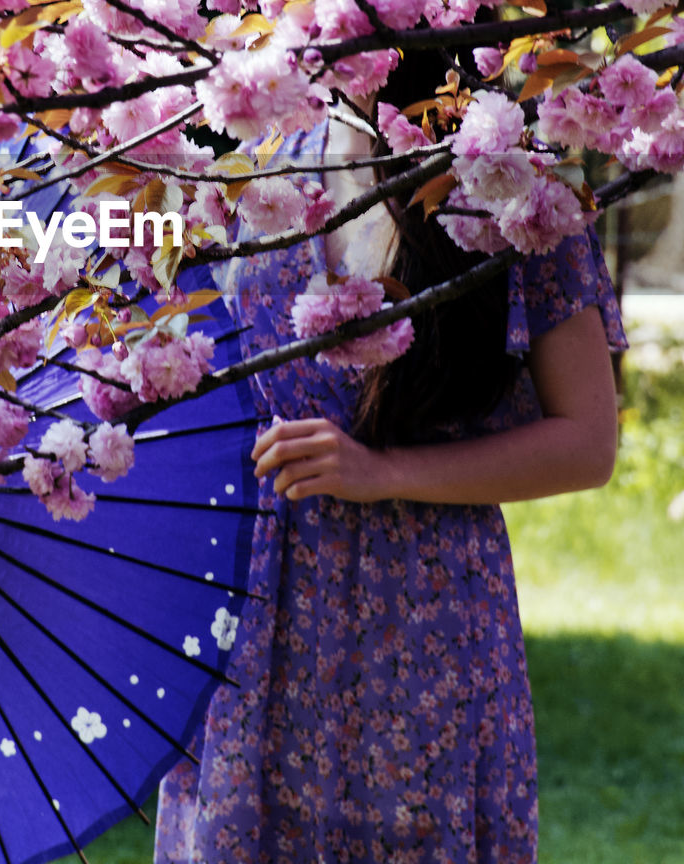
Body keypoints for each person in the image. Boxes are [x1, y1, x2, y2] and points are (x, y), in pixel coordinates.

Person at [153, 82, 626, 864]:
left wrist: (381, 471)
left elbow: (586, 441)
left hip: (429, 615)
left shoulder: (516, 187)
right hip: (260, 611)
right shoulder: (256, 167)